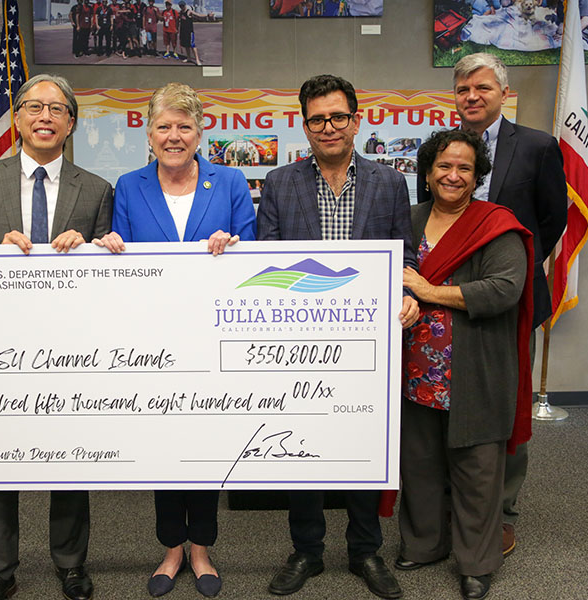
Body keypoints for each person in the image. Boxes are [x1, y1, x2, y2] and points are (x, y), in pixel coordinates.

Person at [0, 73, 113, 600]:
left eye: (57, 109)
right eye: (34, 107)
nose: (45, 116)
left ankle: (70, 563)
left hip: (71, 350)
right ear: (16, 119)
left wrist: (87, 244)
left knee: (71, 459)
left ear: (70, 123)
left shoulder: (97, 189)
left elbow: (112, 271)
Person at [257, 74, 419, 599]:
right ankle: (306, 550)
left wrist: (409, 293)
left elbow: (406, 256)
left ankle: (365, 550)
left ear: (356, 119)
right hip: (299, 345)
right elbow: (268, 262)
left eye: (338, 117)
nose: (328, 127)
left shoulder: (389, 183)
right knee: (301, 449)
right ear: (304, 125)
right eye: (317, 119)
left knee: (363, 446)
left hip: (368, 345)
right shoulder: (280, 183)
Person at [95, 82, 255, 599]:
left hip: (215, 337)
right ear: (148, 131)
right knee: (164, 446)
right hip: (153, 339)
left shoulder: (229, 182)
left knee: (208, 445)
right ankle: (170, 547)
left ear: (200, 130)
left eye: (184, 126)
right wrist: (111, 245)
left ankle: (202, 548)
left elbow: (252, 248)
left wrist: (232, 245)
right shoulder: (128, 185)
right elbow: (119, 257)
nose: (174, 135)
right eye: (164, 125)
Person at [417, 52, 566, 558]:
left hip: (508, 299)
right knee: (438, 409)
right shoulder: (442, 150)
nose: (472, 97)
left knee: (504, 402)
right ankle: (443, 511)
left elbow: (551, 221)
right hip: (437, 309)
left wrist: (510, 269)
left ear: (503, 92)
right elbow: (431, 219)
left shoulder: (539, 147)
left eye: (482, 88)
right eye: (462, 89)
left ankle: (499, 512)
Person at [398, 128, 534, 600]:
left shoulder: (494, 223)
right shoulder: (409, 219)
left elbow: (503, 290)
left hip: (474, 369)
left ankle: (477, 562)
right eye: (444, 166)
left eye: (464, 168)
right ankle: (424, 543)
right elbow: (387, 277)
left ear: (478, 176)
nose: (453, 175)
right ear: (429, 171)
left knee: (477, 470)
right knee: (418, 463)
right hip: (413, 369)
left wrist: (427, 291)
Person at [177, 1, 210, 65]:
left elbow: (199, 15)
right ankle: (188, 57)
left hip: (189, 32)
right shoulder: (181, 13)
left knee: (192, 46)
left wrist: (207, 15)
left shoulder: (189, 11)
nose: (181, 7)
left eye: (182, 6)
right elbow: (178, 21)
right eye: (180, 6)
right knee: (186, 45)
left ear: (185, 5)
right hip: (183, 32)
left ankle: (197, 60)